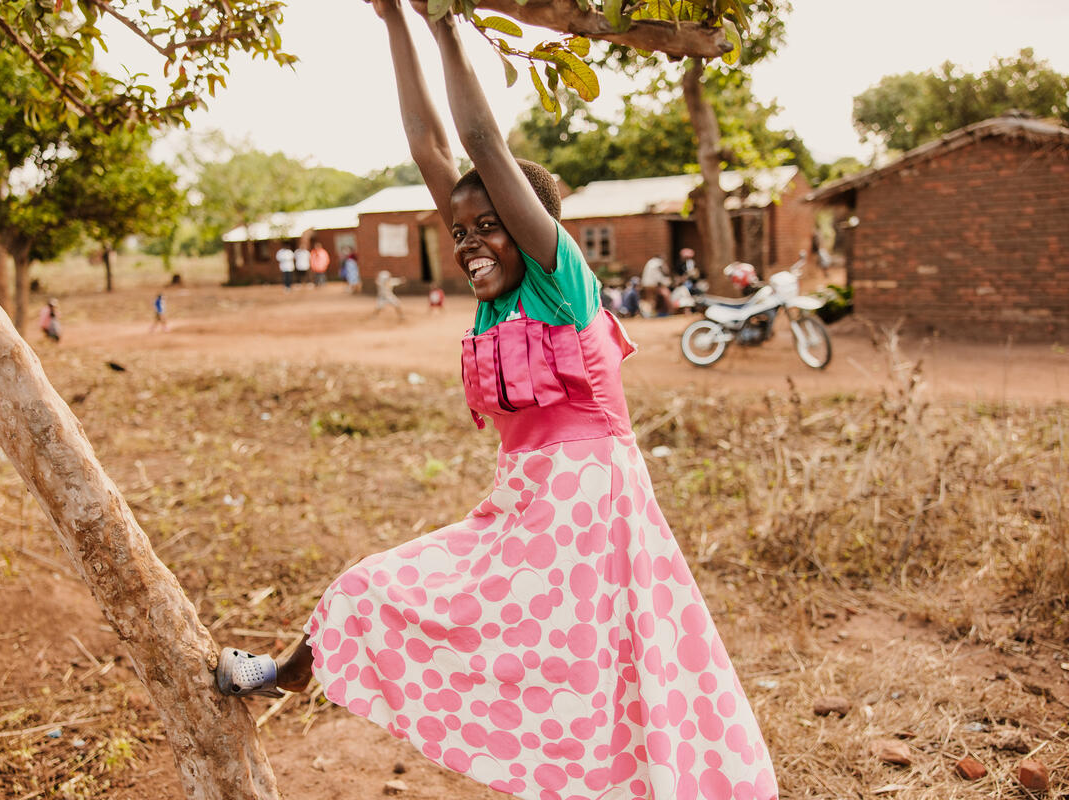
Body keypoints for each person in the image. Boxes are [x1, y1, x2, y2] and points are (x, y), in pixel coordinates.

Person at [216, 3, 778, 799]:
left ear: (531, 224)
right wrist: (391, 18)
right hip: (520, 513)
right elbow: (430, 146)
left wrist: (446, 21)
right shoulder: (490, 305)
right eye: (459, 228)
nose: (470, 240)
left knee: (615, 686)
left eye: (492, 224)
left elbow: (480, 145)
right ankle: (290, 673)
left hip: (596, 523)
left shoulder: (561, 282)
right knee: (372, 586)